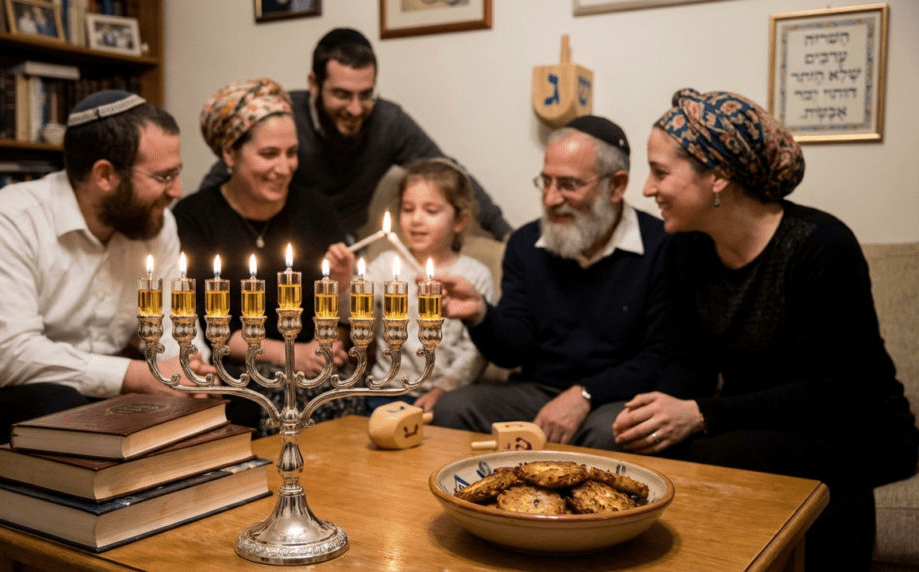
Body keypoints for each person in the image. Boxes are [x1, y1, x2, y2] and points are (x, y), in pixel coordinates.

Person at [614, 88, 918, 571]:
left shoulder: (821, 247)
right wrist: (655, 417)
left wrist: (697, 414)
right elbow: (689, 364)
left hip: (856, 427)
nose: (647, 189)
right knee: (653, 458)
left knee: (714, 453)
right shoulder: (685, 249)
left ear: (717, 176)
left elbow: (824, 391)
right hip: (760, 421)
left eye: (660, 172)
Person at [0, 90, 214, 496]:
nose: (177, 191)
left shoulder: (155, 224)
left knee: (221, 405)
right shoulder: (7, 218)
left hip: (102, 389)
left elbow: (171, 326)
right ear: (104, 175)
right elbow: (9, 357)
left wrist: (188, 373)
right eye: (163, 177)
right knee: (65, 413)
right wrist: (136, 375)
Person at [431, 116, 669, 449]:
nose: (551, 199)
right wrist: (481, 316)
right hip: (537, 392)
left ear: (616, 186)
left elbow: (660, 357)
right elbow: (513, 350)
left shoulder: (662, 245)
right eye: (546, 182)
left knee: (609, 433)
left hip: (616, 398)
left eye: (569, 185)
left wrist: (586, 394)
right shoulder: (525, 243)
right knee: (452, 409)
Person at [173, 78, 362, 436]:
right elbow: (207, 328)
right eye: (269, 154)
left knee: (339, 392)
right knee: (286, 399)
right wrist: (291, 357)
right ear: (229, 153)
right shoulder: (194, 217)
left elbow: (339, 320)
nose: (285, 167)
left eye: (291, 153)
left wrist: (339, 300)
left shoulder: (315, 209)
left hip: (313, 362)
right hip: (239, 368)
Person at [198, 27, 512, 242]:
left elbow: (447, 170)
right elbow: (226, 178)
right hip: (279, 237)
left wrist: (505, 233)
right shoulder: (283, 116)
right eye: (341, 95)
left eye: (365, 94)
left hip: (345, 242)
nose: (355, 108)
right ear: (313, 84)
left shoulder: (388, 121)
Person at [328, 158, 495, 414]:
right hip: (385, 390)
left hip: (445, 398)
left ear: (460, 220)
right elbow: (353, 316)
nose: (416, 219)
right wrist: (341, 281)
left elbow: (475, 352)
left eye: (431, 211)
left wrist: (444, 390)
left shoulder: (474, 275)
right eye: (408, 209)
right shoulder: (386, 264)